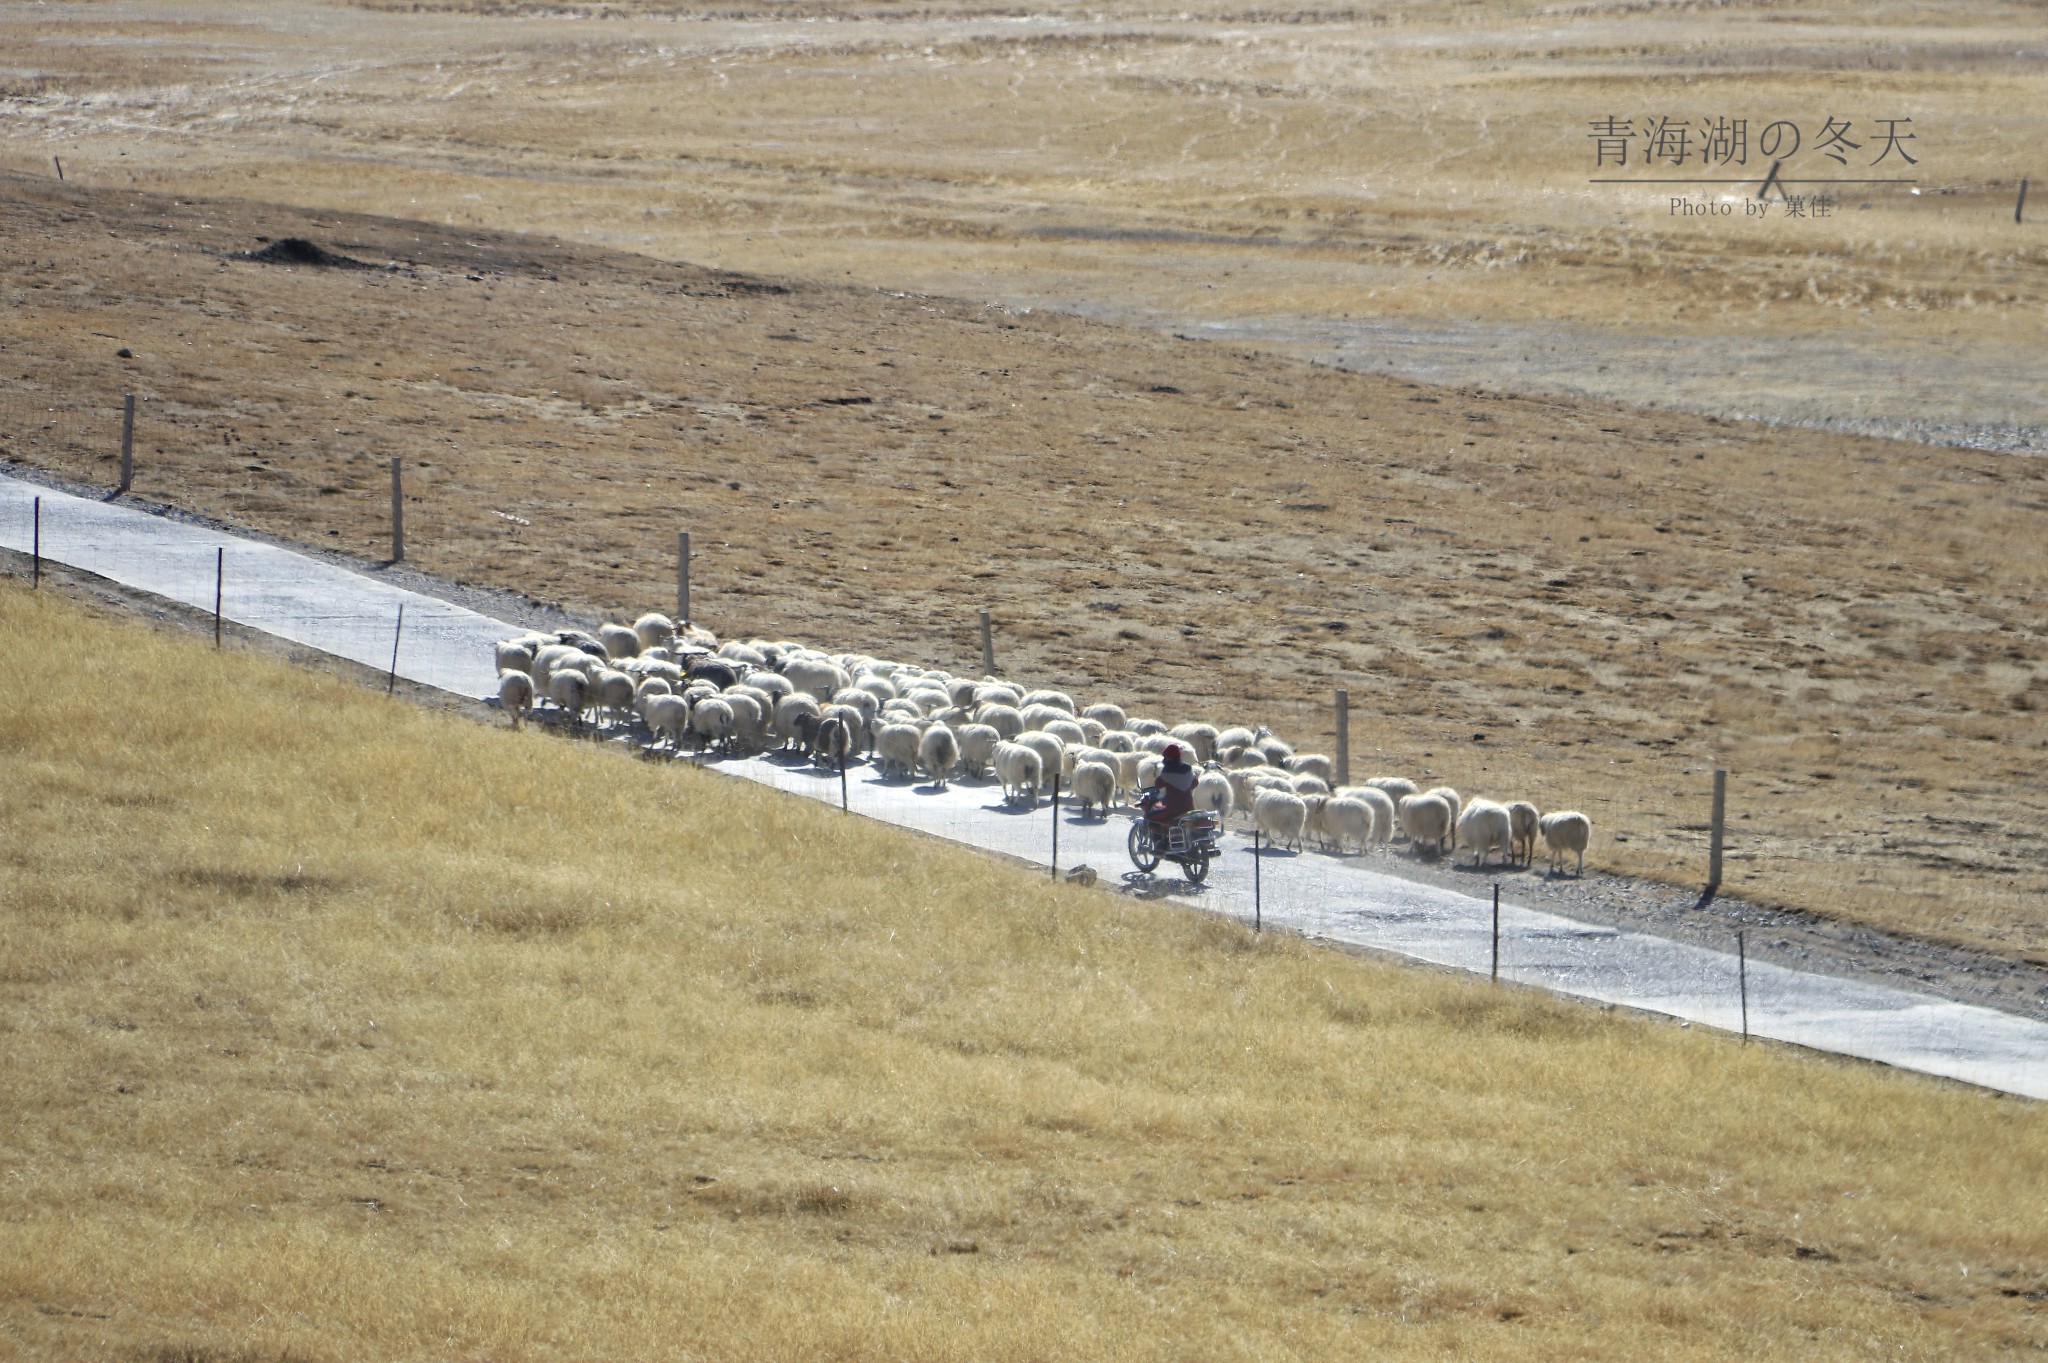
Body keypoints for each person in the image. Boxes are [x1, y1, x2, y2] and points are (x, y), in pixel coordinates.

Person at [1142, 743, 1198, 839]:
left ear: (1168, 757)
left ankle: (1159, 841)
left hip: (1171, 808)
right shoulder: (1188, 768)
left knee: (1151, 816)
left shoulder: (1167, 770)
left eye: (1165, 757)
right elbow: (1195, 783)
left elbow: (1158, 784)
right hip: (1188, 807)